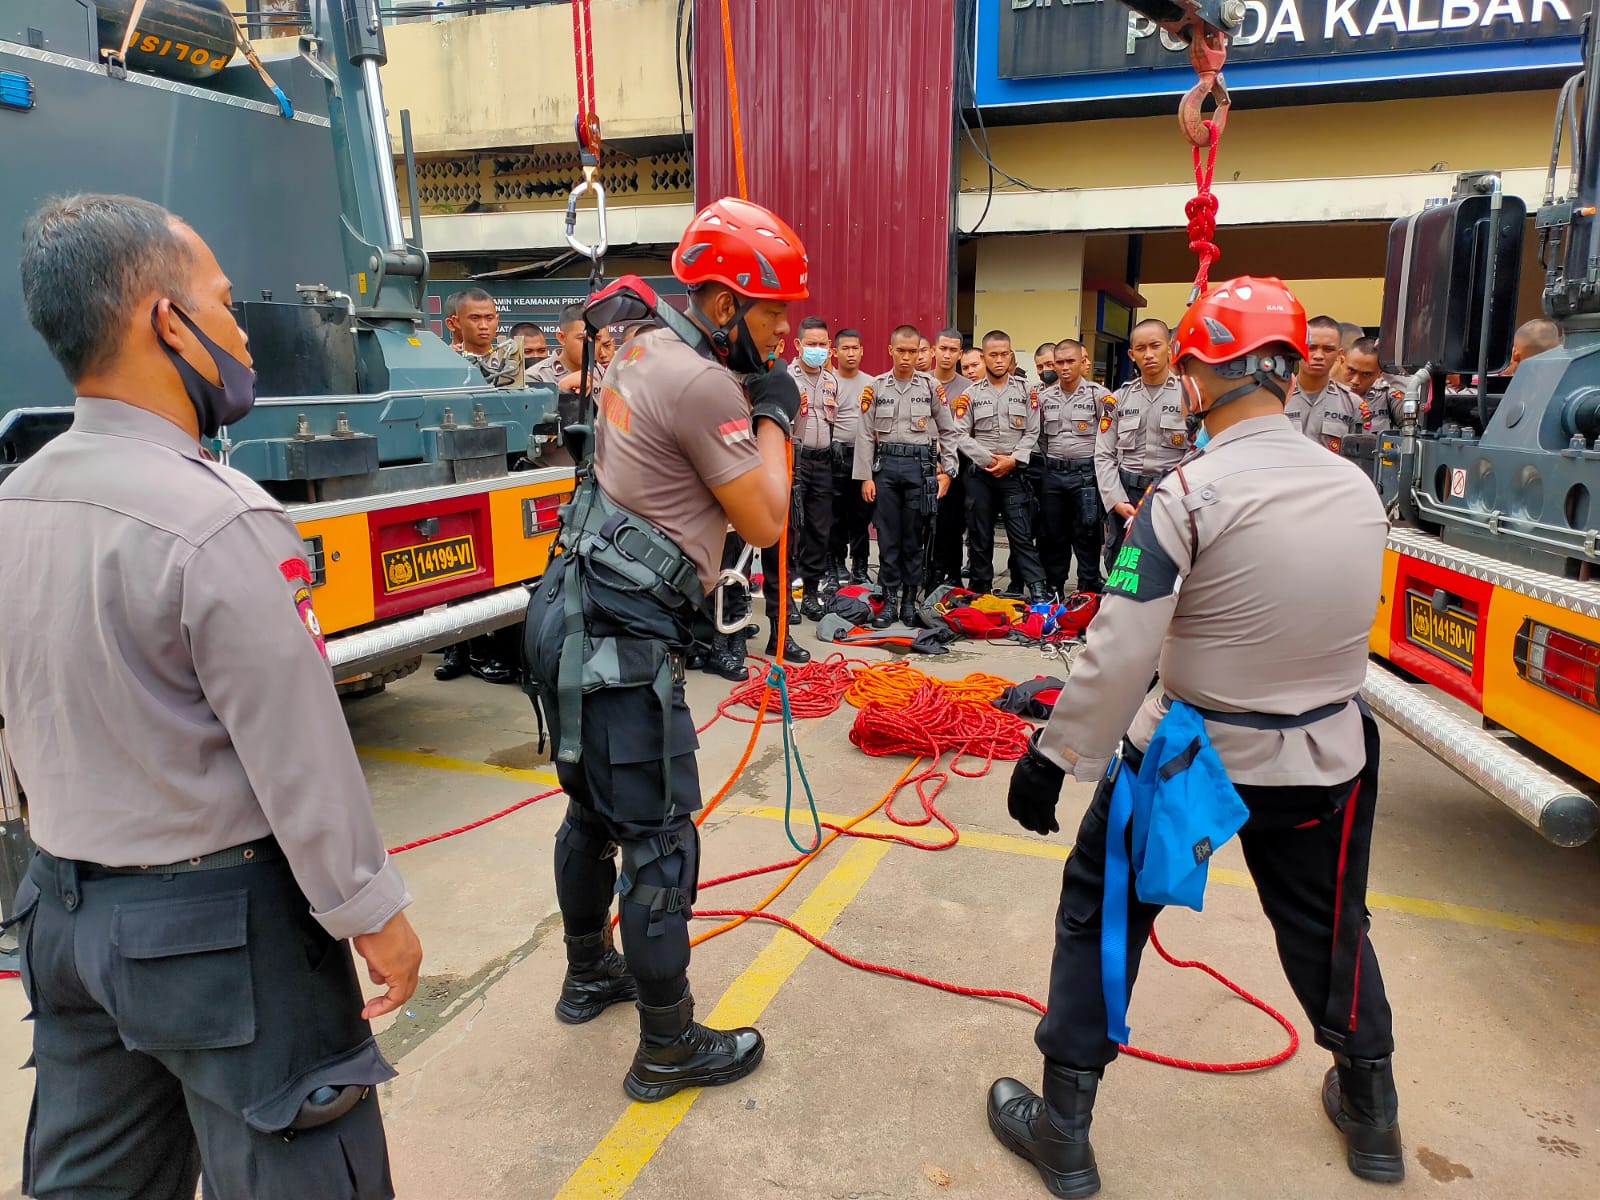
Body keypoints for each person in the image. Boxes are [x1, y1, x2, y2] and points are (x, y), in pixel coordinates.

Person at [1, 193, 421, 1198]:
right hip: (218, 936)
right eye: (226, 304)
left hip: (61, 918)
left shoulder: (15, 501)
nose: (243, 331)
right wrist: (371, 910)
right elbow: (298, 750)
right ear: (166, 321)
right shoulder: (217, 519)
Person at [990, 276, 1401, 1197]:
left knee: (1102, 915)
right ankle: (1373, 1117)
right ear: (1291, 373)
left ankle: (1065, 1128)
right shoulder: (1356, 489)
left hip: (1189, 759)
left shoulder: (1186, 493)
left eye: (1185, 367)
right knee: (1333, 929)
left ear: (1202, 376)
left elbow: (1119, 643)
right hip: (1325, 758)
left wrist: (1053, 754)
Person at [522, 197, 803, 1102]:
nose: (783, 332)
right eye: (772, 314)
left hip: (567, 613)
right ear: (724, 305)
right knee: (659, 844)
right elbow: (764, 517)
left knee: (592, 818)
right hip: (617, 645)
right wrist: (778, 420)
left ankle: (585, 973)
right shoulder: (702, 380)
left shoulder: (638, 346)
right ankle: (669, 1046)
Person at [854, 326, 957, 626]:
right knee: (887, 539)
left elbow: (949, 430)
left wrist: (948, 471)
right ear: (891, 350)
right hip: (885, 468)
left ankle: (909, 601)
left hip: (918, 468)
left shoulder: (930, 387)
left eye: (913, 351)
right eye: (901, 351)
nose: (907, 357)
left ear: (923, 353)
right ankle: (889, 601)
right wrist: (865, 477)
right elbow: (863, 435)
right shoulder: (876, 387)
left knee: (913, 539)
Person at [954, 330, 1048, 601]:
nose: (998, 360)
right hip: (980, 474)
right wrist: (988, 460)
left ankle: (1037, 587)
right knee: (980, 534)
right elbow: (960, 434)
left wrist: (1013, 459)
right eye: (992, 355)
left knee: (1021, 533)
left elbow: (1033, 431)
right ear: (983, 358)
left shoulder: (1026, 391)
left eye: (1003, 354)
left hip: (1013, 472)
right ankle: (980, 587)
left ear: (1010, 356)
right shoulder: (970, 395)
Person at [1094, 318, 1186, 570]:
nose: (1148, 354)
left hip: (1172, 493)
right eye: (1141, 349)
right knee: (1120, 565)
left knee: (1169, 564)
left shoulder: (1189, 395)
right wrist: (1115, 500)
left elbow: (1201, 451)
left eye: (1155, 346)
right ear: (1131, 354)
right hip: (1127, 494)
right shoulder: (1118, 399)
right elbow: (1103, 454)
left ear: (1169, 348)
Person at [1036, 339, 1110, 596]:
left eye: (1071, 361)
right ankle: (1054, 584)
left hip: (1086, 475)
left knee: (1087, 532)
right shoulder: (1044, 398)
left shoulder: (1098, 396)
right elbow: (1040, 437)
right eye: (1060, 362)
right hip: (1053, 475)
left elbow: (1109, 436)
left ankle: (1088, 583)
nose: (1065, 367)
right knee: (1053, 534)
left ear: (1082, 362)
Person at [784, 316, 839, 623]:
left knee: (820, 528)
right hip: (794, 460)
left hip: (823, 462)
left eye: (822, 345)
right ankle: (787, 597)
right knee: (792, 530)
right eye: (811, 344)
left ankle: (810, 594)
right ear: (798, 345)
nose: (817, 350)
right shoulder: (786, 378)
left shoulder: (831, 381)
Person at [926, 328, 972, 590]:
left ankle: (952, 573)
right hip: (923, 460)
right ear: (933, 350)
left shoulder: (969, 389)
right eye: (942, 348)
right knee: (921, 523)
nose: (947, 354)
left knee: (952, 523)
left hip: (956, 463)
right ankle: (926, 572)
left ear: (960, 354)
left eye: (953, 350)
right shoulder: (920, 382)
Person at [827, 328, 872, 586]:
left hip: (862, 456)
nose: (851, 353)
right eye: (845, 348)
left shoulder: (872, 383)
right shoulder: (828, 382)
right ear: (835, 352)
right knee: (834, 517)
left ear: (862, 350)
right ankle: (835, 568)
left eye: (855, 348)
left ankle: (860, 568)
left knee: (860, 516)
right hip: (834, 456)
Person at [1283, 315, 1363, 452]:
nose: (1319, 355)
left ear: (1339, 354)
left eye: (1328, 349)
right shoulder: (1276, 398)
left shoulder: (1352, 404)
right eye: (1312, 347)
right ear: (1298, 349)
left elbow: (1361, 457)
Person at [453, 286, 524, 388]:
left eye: (489, 318)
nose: (483, 326)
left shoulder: (511, 365)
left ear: (497, 320)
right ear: (457, 322)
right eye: (475, 318)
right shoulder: (448, 363)